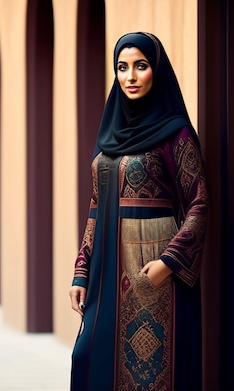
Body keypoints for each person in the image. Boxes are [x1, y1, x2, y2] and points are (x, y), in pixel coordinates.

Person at [69, 32, 208, 390]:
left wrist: (168, 264)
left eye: (141, 66)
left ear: (156, 71)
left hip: (152, 273)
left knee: (147, 375)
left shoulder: (175, 134)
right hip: (106, 272)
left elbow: (199, 203)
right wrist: (81, 272)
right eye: (122, 67)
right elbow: (95, 208)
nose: (130, 76)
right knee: (87, 357)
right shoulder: (111, 134)